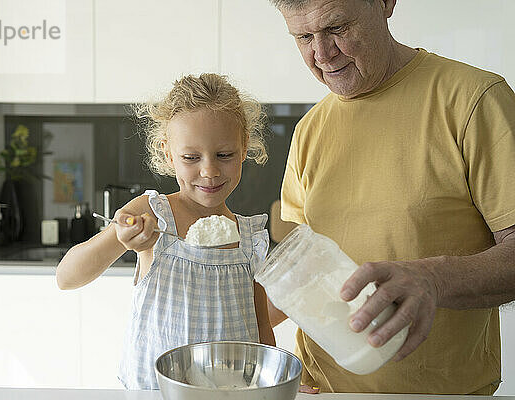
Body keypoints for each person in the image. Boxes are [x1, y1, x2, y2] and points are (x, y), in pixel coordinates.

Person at [266, 0, 515, 395]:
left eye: (337, 28)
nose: (322, 54)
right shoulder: (309, 130)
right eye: (303, 37)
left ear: (385, 4)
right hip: (319, 390)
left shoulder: (474, 99)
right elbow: (301, 280)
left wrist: (432, 279)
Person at [56, 73, 275, 390]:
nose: (209, 171)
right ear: (168, 153)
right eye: (191, 157)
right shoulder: (152, 213)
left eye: (224, 155)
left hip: (231, 395)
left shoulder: (251, 239)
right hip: (154, 392)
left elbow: (261, 331)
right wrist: (118, 237)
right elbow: (66, 277)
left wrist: (278, 382)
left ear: (244, 149)